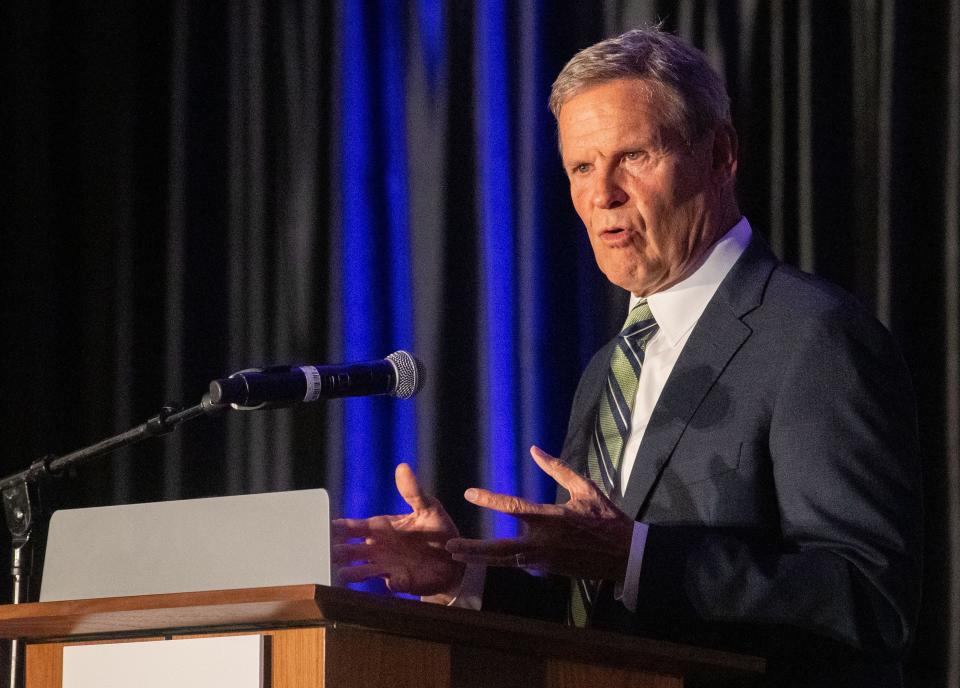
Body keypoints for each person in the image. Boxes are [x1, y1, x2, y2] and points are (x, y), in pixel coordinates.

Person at [333, 27, 921, 687]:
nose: (602, 193)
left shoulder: (815, 336)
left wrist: (638, 557)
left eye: (633, 155)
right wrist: (460, 576)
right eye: (582, 167)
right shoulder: (607, 370)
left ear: (721, 154)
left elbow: (871, 599)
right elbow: (600, 621)